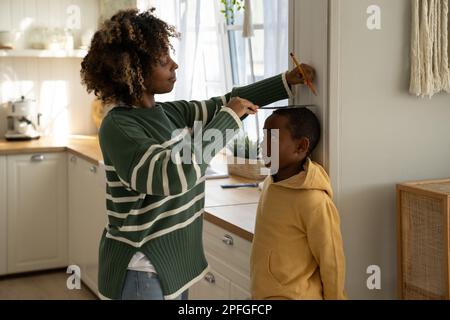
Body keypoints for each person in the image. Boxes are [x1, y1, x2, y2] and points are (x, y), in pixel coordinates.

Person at [80, 8, 314, 300]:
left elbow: (225, 103)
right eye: (164, 61)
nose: (174, 65)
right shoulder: (118, 126)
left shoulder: (166, 112)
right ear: (135, 70)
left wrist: (285, 81)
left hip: (171, 268)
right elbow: (172, 176)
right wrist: (228, 119)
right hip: (141, 270)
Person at [251, 107, 347, 300]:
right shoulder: (270, 183)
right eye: (264, 136)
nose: (263, 144)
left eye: (274, 139)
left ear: (301, 147)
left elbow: (332, 262)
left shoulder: (313, 201)